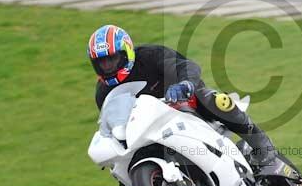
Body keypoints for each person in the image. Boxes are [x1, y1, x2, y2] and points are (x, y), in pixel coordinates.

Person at [87, 24, 278, 170]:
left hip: (183, 105)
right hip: (149, 132)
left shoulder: (150, 56)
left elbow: (186, 66)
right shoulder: (103, 93)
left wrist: (184, 84)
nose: (108, 66)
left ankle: (260, 142)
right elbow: (114, 125)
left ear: (126, 52)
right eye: (102, 62)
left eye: (112, 59)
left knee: (215, 100)